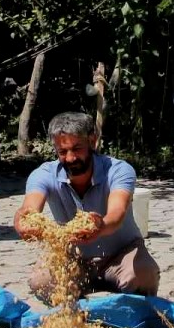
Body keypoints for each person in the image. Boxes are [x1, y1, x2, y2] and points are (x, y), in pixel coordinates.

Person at [13, 111, 160, 303]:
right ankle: (73, 314)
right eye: (62, 152)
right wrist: (23, 222)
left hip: (121, 253)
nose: (71, 158)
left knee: (143, 274)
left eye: (77, 149)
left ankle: (135, 313)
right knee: (42, 280)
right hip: (74, 256)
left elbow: (117, 213)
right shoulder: (43, 174)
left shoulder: (118, 170)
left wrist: (100, 226)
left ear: (92, 142)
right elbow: (30, 209)